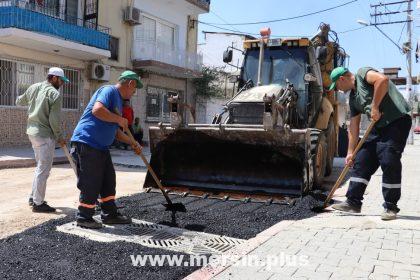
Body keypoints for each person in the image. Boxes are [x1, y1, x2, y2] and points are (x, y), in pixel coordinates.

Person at [329, 67, 411, 220]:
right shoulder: (353, 98)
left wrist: (374, 106)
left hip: (397, 120)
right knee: (363, 159)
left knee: (388, 158)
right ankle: (353, 202)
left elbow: (383, 80)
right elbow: (353, 127)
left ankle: (390, 207)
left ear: (342, 79)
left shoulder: (362, 74)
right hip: (378, 126)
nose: (338, 90)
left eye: (337, 86)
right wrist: (350, 152)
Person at [70, 70, 143, 228]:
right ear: (130, 83)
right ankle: (84, 217)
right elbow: (97, 110)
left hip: (101, 147)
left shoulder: (118, 102)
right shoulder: (109, 91)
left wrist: (132, 142)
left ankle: (110, 214)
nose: (134, 92)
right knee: (91, 181)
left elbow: (115, 131)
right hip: (87, 142)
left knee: (109, 180)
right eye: (135, 89)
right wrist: (119, 119)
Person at [16, 67, 69, 213]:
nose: (62, 83)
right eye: (61, 80)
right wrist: (59, 137)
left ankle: (33, 197)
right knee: (44, 169)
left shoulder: (33, 87)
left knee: (40, 167)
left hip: (32, 133)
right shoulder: (54, 94)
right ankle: (38, 203)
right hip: (45, 135)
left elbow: (19, 101)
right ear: (53, 78)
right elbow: (54, 120)